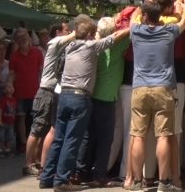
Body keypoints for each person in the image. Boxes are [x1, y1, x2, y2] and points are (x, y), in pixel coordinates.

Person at [39, 17, 130, 191]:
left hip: (63, 95)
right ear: (89, 35)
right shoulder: (90, 47)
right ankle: (62, 181)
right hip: (79, 97)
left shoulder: (69, 46)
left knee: (59, 138)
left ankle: (47, 177)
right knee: (72, 140)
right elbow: (115, 37)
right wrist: (132, 26)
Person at [128, 0, 185, 192]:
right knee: (164, 136)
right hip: (163, 87)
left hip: (139, 88)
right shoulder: (169, 31)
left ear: (145, 16)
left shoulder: (136, 30)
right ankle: (164, 183)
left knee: (138, 136)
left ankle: (137, 182)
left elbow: (134, 15)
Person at [76, 16, 131, 187]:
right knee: (105, 139)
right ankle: (99, 174)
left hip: (91, 96)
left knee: (88, 137)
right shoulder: (116, 45)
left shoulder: (93, 46)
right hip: (107, 98)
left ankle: (80, 172)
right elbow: (132, 28)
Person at [23, 21, 73, 176]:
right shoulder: (55, 42)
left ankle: (37, 161)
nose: (69, 31)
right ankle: (27, 164)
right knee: (37, 128)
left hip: (52, 91)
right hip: (45, 91)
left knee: (44, 129)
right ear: (58, 32)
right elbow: (71, 37)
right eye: (66, 29)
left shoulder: (59, 46)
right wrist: (80, 30)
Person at [9, 27, 44, 153]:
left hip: (35, 92)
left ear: (28, 37)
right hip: (20, 92)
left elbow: (41, 72)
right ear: (16, 41)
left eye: (24, 36)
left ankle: (33, 145)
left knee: (35, 119)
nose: (22, 39)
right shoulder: (14, 57)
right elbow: (11, 74)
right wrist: (9, 86)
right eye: (19, 38)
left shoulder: (37, 53)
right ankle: (23, 143)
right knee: (21, 118)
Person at [0, 83, 17, 157]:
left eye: (12, 86)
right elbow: (0, 109)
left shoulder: (14, 99)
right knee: (1, 137)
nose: (11, 88)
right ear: (4, 90)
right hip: (3, 121)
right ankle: (0, 150)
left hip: (11, 122)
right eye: (8, 87)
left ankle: (8, 150)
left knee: (10, 137)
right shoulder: (3, 100)